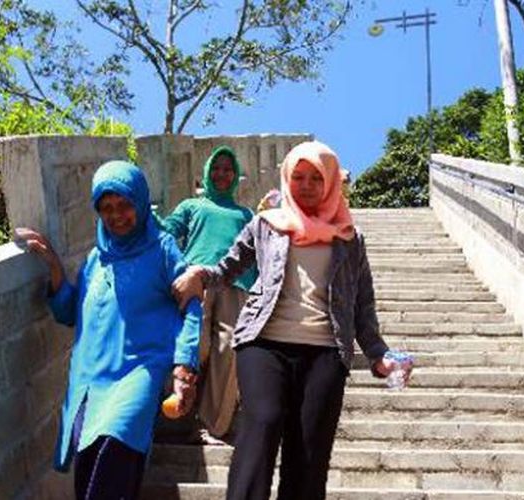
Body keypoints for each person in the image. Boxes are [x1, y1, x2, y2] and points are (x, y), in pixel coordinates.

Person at [172, 141, 410, 500]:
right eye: (298, 176)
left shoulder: (349, 238)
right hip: (263, 343)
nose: (307, 185)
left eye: (316, 177)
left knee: (309, 446)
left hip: (326, 352)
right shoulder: (265, 225)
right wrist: (200, 277)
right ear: (286, 178)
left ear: (331, 182)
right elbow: (229, 267)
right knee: (263, 421)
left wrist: (378, 355)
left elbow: (362, 304)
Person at [16, 161, 201, 500]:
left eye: (125, 205)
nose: (117, 216)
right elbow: (69, 313)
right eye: (106, 208)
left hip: (139, 371)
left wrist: (184, 366)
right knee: (89, 468)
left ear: (141, 202)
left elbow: (191, 306)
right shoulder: (94, 260)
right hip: (90, 379)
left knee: (116, 445)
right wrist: (56, 268)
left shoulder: (162, 249)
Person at [158, 145, 256, 444]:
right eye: (217, 168)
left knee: (228, 351)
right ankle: (178, 416)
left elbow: (258, 252)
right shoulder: (192, 206)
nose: (222, 174)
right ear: (206, 173)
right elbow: (167, 231)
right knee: (194, 346)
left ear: (236, 175)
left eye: (228, 169)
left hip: (236, 286)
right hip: (195, 280)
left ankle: (213, 427)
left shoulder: (246, 214)